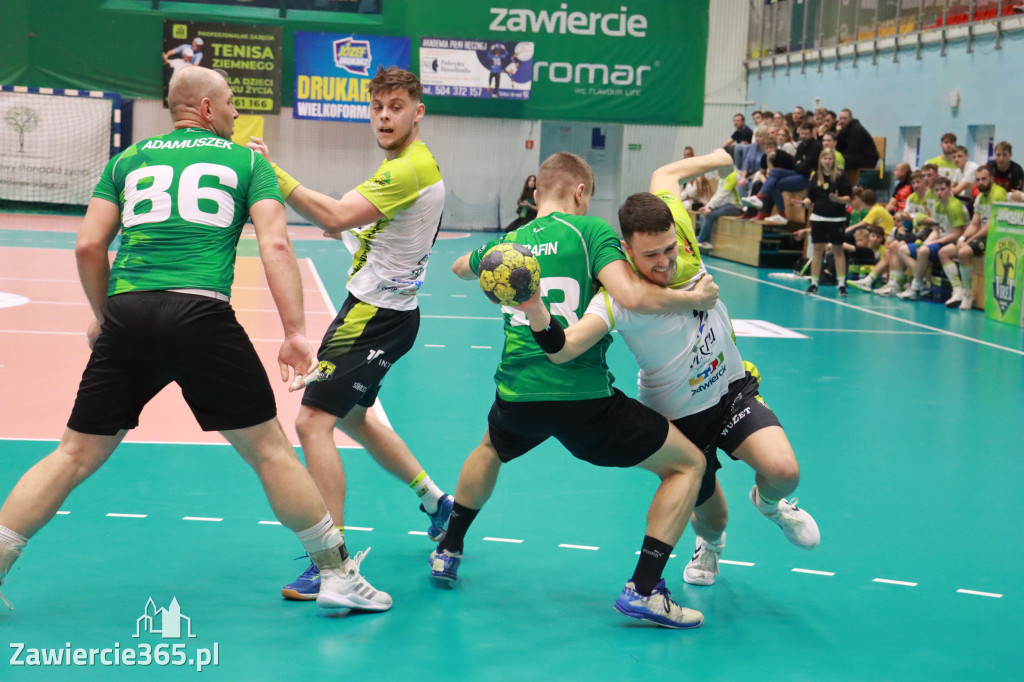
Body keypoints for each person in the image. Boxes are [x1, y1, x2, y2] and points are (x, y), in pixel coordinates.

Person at [0, 66, 382, 614]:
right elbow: (275, 247)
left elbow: (87, 246)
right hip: (201, 314)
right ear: (204, 108)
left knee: (72, 455)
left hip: (129, 314)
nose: (233, 112)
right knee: (271, 452)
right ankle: (338, 575)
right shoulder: (249, 161)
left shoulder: (127, 160)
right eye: (228, 103)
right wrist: (296, 334)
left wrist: (103, 314)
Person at [437, 150, 728, 630]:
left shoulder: (513, 240)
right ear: (580, 192)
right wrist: (692, 297)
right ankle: (645, 588)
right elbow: (632, 296)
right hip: (583, 398)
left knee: (490, 447)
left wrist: (490, 268)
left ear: (535, 193)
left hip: (518, 391)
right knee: (688, 463)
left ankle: (448, 550)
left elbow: (459, 269)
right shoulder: (591, 232)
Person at [517, 154, 820, 588]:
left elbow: (666, 174)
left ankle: (771, 504)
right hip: (678, 415)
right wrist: (535, 312)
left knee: (784, 471)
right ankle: (710, 547)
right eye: (651, 255)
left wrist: (721, 157)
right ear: (627, 250)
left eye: (669, 249)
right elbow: (565, 350)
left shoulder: (676, 231)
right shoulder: (615, 297)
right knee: (713, 516)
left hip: (729, 388)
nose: (665, 262)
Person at [247, 67, 452, 602]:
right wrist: (354, 227)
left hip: (375, 317)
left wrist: (271, 174)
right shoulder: (406, 165)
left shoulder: (409, 167)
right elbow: (367, 221)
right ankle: (437, 502)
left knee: (313, 421)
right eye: (377, 106)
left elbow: (334, 211)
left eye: (396, 106)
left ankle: (330, 562)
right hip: (382, 310)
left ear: (417, 111)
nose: (385, 115)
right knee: (356, 416)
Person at [939, 165, 1006, 310]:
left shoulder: (998, 194)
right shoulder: (980, 198)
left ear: (992, 179)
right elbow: (975, 223)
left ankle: (968, 294)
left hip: (995, 237)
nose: (980, 182)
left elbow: (990, 226)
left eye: (984, 179)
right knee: (943, 252)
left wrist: (968, 242)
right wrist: (962, 239)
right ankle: (957, 290)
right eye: (978, 180)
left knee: (963, 252)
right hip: (980, 236)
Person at [896, 176, 967, 301]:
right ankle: (923, 281)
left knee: (924, 251)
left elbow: (957, 233)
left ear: (950, 189)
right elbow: (936, 230)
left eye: (943, 189)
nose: (939, 193)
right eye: (937, 190)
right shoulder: (939, 206)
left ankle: (915, 287)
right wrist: (927, 243)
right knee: (903, 250)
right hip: (940, 240)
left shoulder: (954, 206)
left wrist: (932, 243)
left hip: (955, 241)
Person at [794, 148, 852, 295]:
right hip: (818, 218)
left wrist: (837, 199)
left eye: (830, 159)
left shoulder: (841, 176)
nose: (828, 161)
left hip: (836, 218)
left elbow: (848, 198)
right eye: (825, 158)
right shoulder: (816, 177)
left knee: (838, 251)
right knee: (818, 250)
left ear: (834, 160)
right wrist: (803, 203)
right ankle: (814, 283)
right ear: (821, 160)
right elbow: (810, 197)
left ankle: (841, 284)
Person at [696, 167, 743, 249]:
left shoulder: (732, 175)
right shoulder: (723, 177)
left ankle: (702, 240)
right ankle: (704, 240)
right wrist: (707, 206)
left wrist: (711, 207)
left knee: (710, 214)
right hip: (724, 205)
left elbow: (722, 193)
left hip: (735, 206)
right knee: (704, 213)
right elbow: (717, 194)